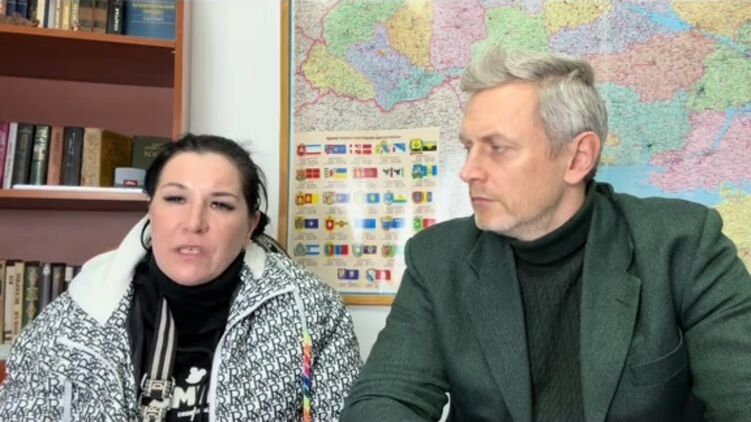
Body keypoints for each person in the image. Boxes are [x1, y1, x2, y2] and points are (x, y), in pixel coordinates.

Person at [342, 48, 751, 422]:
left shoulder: (682, 245)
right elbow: (385, 399)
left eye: (497, 148)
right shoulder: (438, 257)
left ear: (578, 158)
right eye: (469, 147)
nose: (468, 171)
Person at [0, 134, 361, 421]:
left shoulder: (312, 312)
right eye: (175, 199)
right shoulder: (73, 318)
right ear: (150, 209)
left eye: (220, 204)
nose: (193, 223)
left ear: (250, 225)